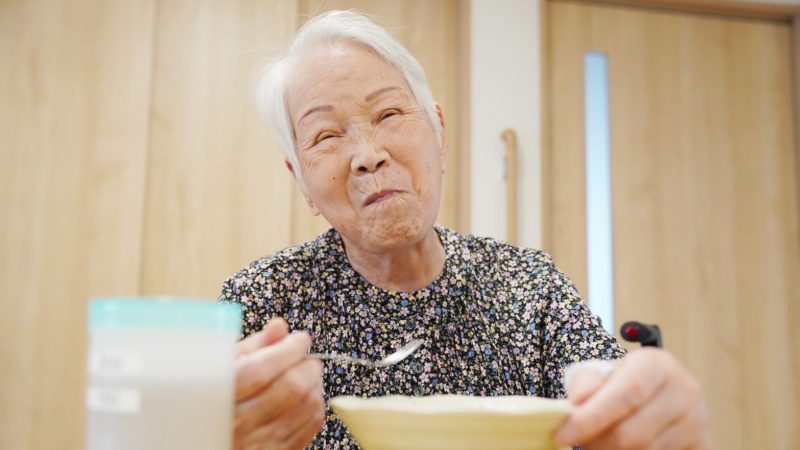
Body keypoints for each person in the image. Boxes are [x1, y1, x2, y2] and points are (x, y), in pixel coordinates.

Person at [219, 10, 711, 450]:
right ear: (302, 182)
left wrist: (658, 420)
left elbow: (616, 408)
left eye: (389, 114)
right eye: (326, 136)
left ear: (440, 134)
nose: (368, 155)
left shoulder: (529, 286)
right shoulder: (262, 302)